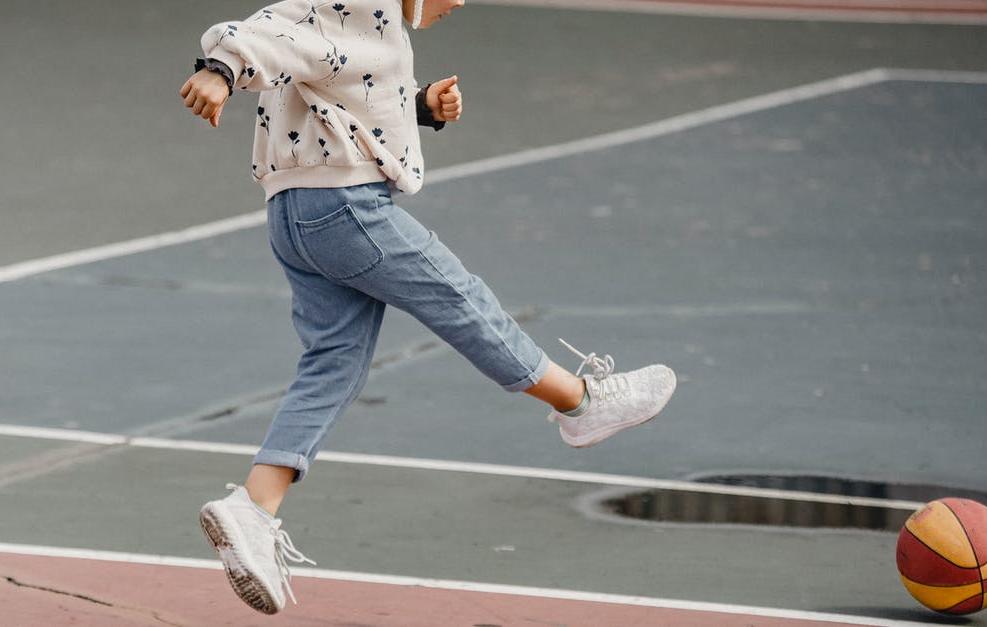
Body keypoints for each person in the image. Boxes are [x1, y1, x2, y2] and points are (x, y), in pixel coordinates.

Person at [180, 0, 677, 614]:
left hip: (292, 214)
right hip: (345, 207)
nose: (459, 2)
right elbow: (269, 28)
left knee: (334, 361)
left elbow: (334, 89)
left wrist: (419, 108)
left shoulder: (363, 22)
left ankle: (253, 507)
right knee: (459, 297)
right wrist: (220, 68)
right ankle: (581, 403)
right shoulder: (356, 2)